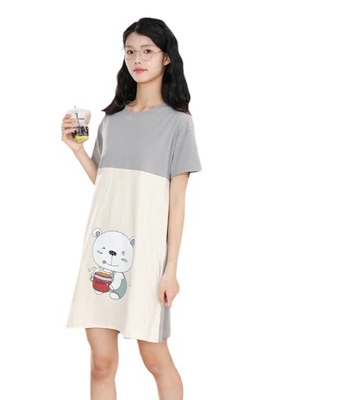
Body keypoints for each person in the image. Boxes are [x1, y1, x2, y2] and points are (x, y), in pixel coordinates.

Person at [61, 17, 201, 400]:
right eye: (130, 51)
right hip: (100, 253)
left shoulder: (178, 124)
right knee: (100, 363)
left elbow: (177, 203)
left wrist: (171, 270)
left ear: (166, 58)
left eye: (147, 51)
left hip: (148, 259)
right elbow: (107, 184)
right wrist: (78, 151)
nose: (137, 59)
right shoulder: (112, 121)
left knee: (155, 358)